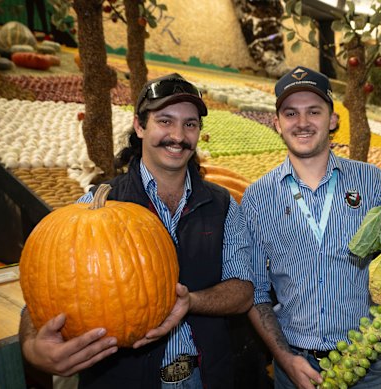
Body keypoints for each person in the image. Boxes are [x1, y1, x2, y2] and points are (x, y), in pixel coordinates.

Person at [19, 73, 254, 389]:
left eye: (190, 124)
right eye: (165, 121)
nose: (178, 135)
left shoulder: (223, 204)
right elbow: (45, 290)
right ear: (140, 127)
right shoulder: (94, 206)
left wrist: (191, 301)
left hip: (207, 376)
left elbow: (243, 291)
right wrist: (33, 346)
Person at [242, 66, 381, 389]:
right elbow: (255, 291)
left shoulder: (372, 182)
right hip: (297, 365)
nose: (302, 123)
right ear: (277, 123)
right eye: (290, 113)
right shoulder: (257, 197)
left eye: (314, 111)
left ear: (333, 119)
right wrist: (285, 359)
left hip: (367, 361)